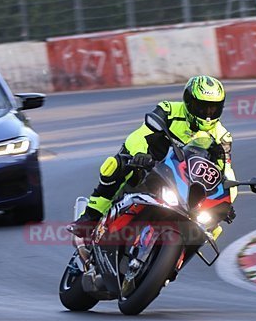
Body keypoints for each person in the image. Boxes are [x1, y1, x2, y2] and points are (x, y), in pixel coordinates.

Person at [68, 75, 237, 239]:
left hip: (184, 181)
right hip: (151, 164)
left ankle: (173, 259)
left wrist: (228, 200)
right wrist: (140, 154)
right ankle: (90, 217)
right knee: (115, 165)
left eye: (213, 108)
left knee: (212, 227)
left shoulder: (222, 137)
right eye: (202, 107)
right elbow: (140, 135)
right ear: (189, 102)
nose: (208, 113)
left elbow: (225, 172)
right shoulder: (168, 110)